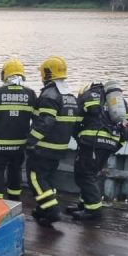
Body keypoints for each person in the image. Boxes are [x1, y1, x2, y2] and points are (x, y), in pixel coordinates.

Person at [67, 81, 128, 221]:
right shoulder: (117, 101)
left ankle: (93, 211)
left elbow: (75, 121)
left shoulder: (86, 96)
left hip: (92, 142)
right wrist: (118, 144)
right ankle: (84, 205)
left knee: (83, 175)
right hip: (110, 143)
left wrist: (79, 138)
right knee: (90, 175)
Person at [25, 56, 79, 226]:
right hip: (59, 148)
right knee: (48, 178)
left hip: (43, 148)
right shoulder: (69, 95)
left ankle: (51, 210)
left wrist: (30, 140)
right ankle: (43, 210)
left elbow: (46, 122)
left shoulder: (49, 94)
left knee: (35, 178)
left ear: (47, 73)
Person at [0, 58, 36, 200]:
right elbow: (39, 120)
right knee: (15, 170)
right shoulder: (31, 94)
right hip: (20, 144)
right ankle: (14, 200)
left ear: (5, 75)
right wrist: (33, 139)